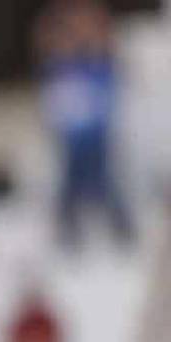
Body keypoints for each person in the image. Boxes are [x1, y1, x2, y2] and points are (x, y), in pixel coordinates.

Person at [36, 0, 133, 248]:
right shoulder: (60, 66)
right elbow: (47, 44)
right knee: (74, 175)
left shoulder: (101, 64)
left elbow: (108, 49)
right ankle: (70, 228)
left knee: (105, 174)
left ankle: (119, 226)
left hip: (98, 128)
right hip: (75, 130)